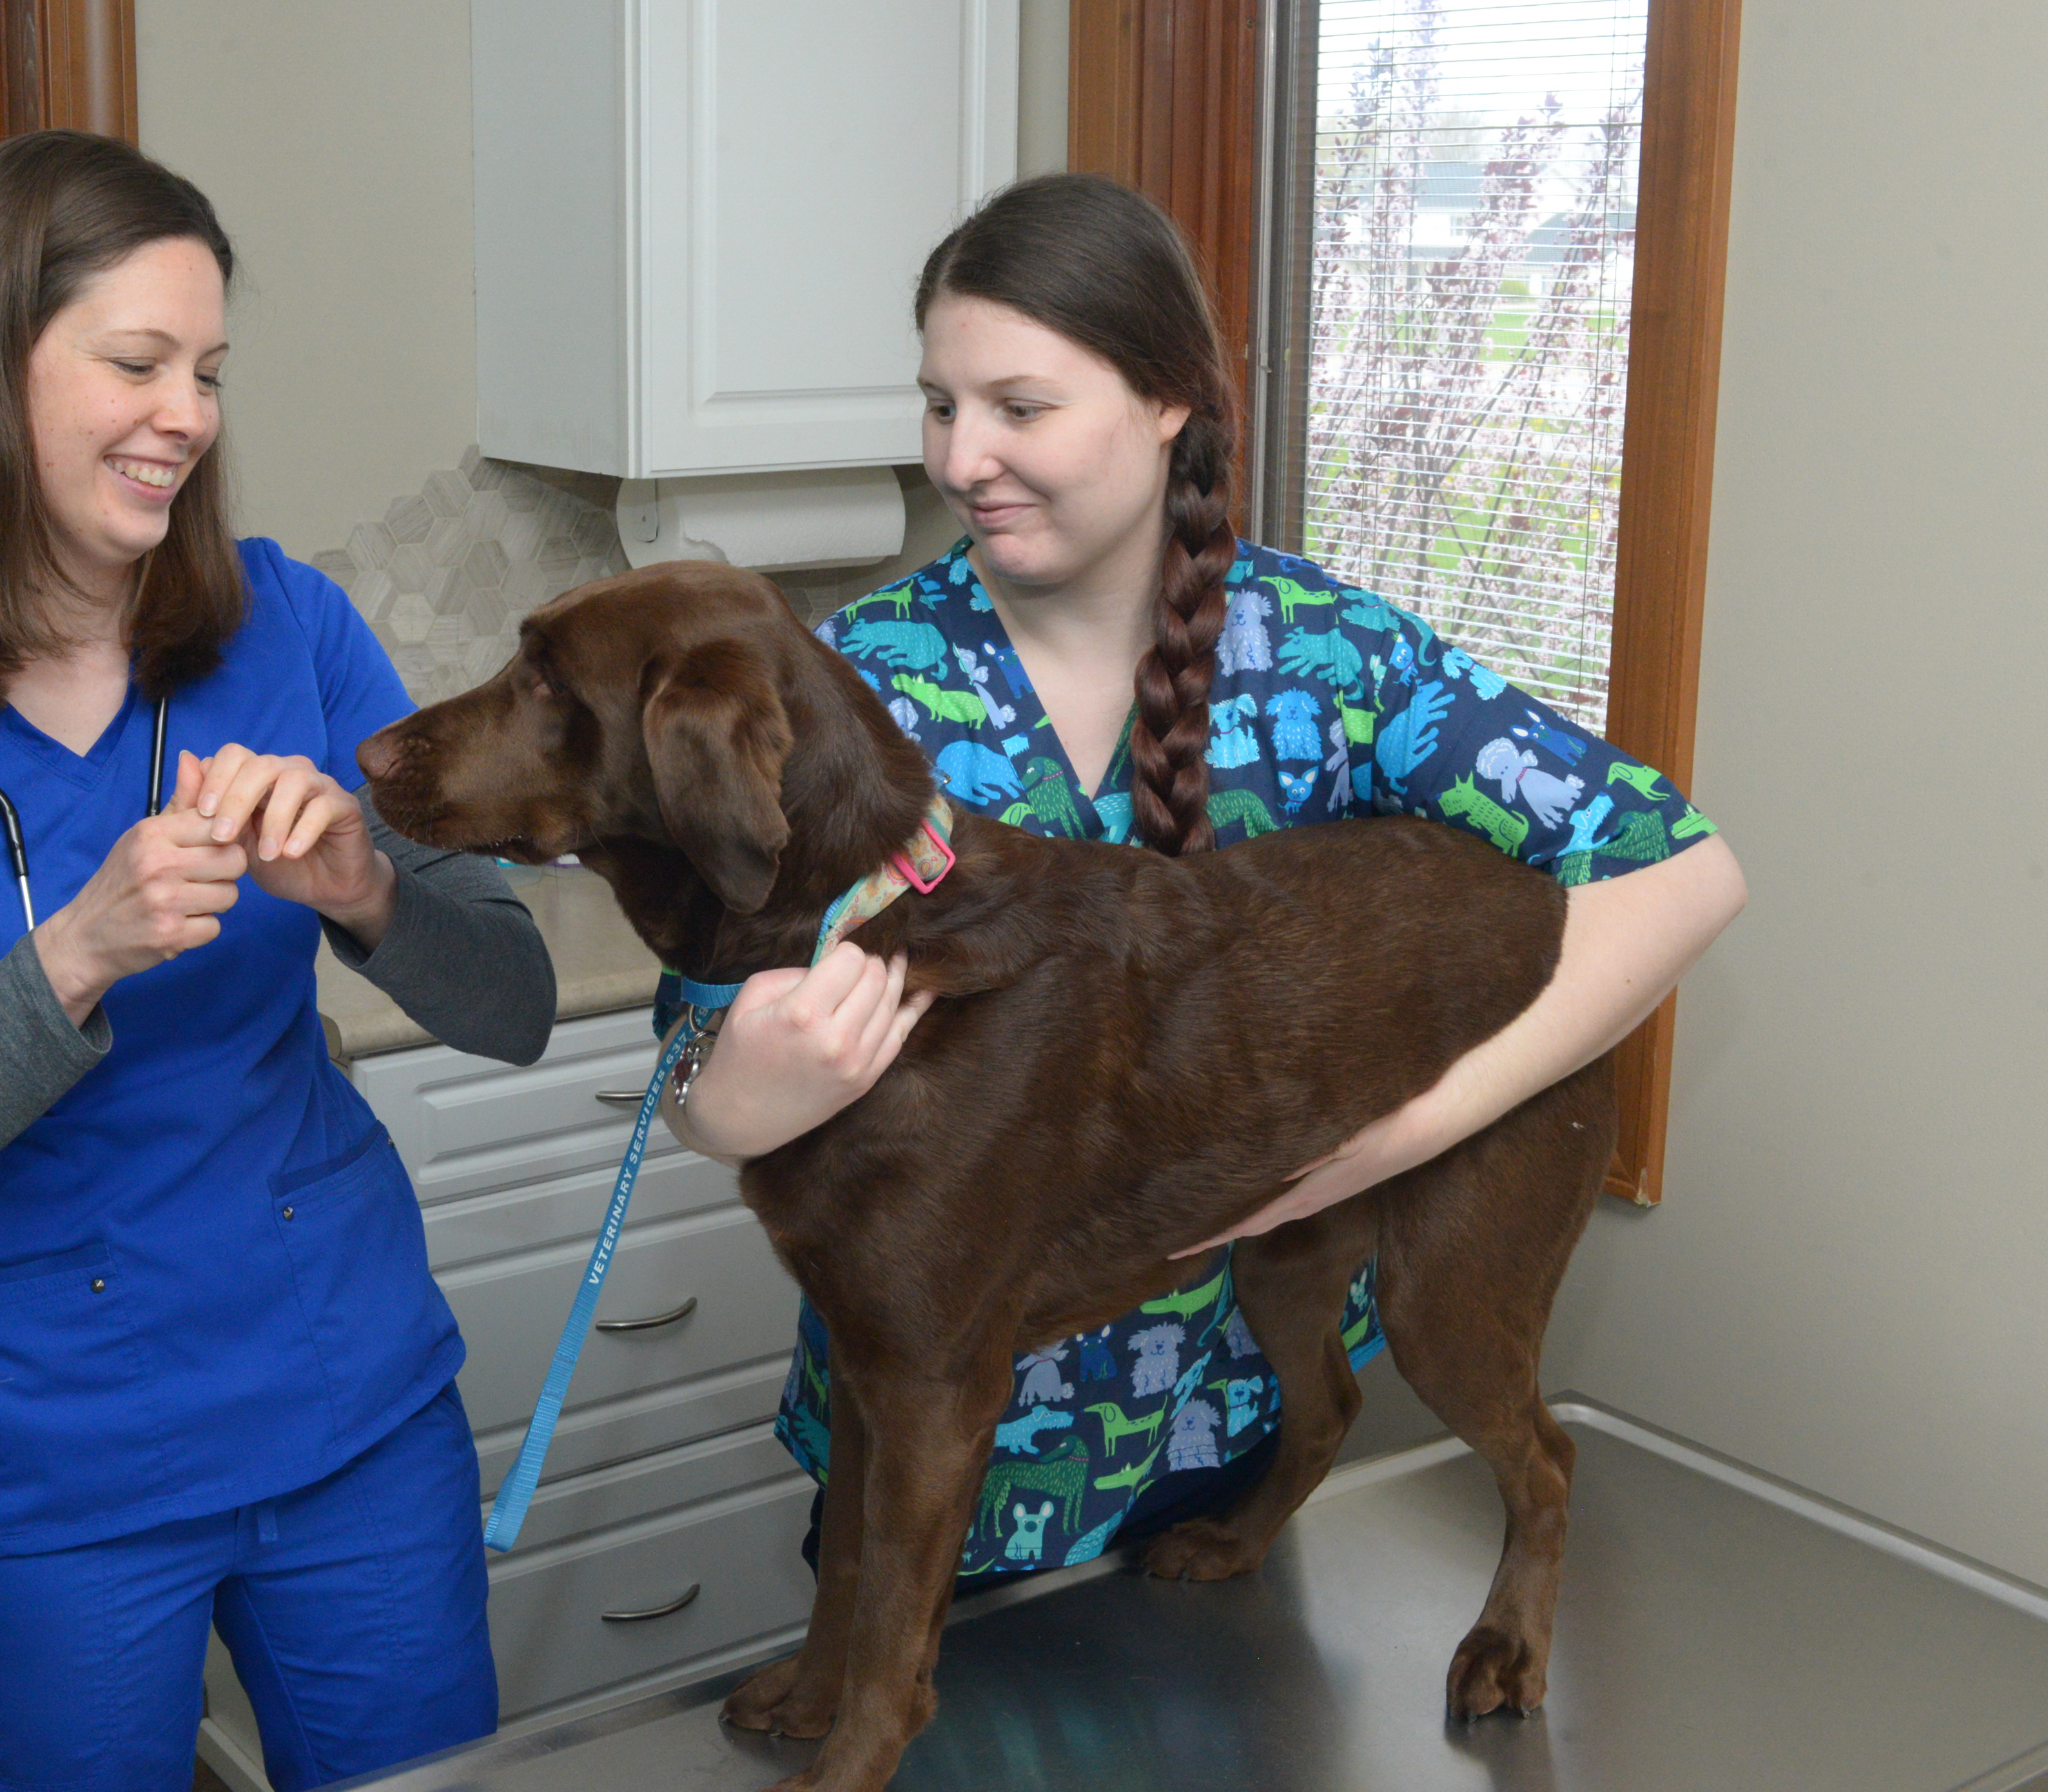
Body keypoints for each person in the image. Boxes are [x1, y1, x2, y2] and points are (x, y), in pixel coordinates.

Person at [659, 172, 1747, 1578]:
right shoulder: (849, 689)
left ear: (1170, 397)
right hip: (917, 1472)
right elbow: (695, 1042)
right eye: (939, 404)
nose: (959, 457)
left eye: (1019, 407)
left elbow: (1680, 871)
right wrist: (729, 1104)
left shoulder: (1333, 660)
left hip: (1224, 1458)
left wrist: (1401, 1134)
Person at [0, 131, 554, 1792]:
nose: (189, 412)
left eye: (211, 370)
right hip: (43, 1475)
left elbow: (514, 1004)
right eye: (137, 361)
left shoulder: (291, 629)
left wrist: (366, 887)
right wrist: (75, 951)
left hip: (353, 1412)